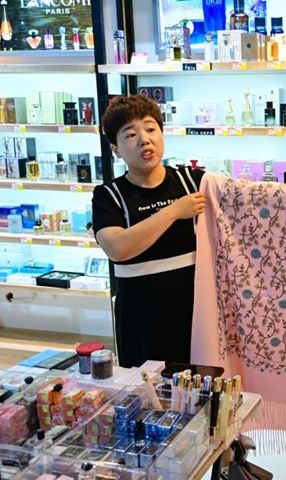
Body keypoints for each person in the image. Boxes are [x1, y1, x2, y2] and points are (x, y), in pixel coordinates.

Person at [92, 95, 207, 368]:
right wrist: (173, 211)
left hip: (196, 311)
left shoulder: (193, 180)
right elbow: (117, 248)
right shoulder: (109, 196)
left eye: (151, 129)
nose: (144, 140)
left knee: (202, 389)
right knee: (148, 397)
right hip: (141, 317)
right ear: (115, 149)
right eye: (130, 134)